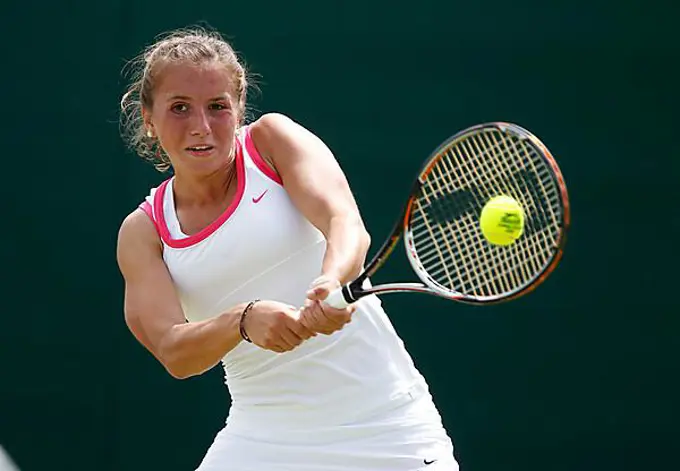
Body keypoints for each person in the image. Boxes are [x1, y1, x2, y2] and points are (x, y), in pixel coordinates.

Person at [117, 26, 458, 471]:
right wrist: (242, 320)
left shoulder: (272, 142)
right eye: (179, 108)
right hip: (260, 440)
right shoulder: (144, 233)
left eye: (218, 107)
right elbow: (174, 351)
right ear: (149, 118)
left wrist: (331, 281)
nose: (201, 127)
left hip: (384, 429)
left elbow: (344, 223)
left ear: (239, 110)